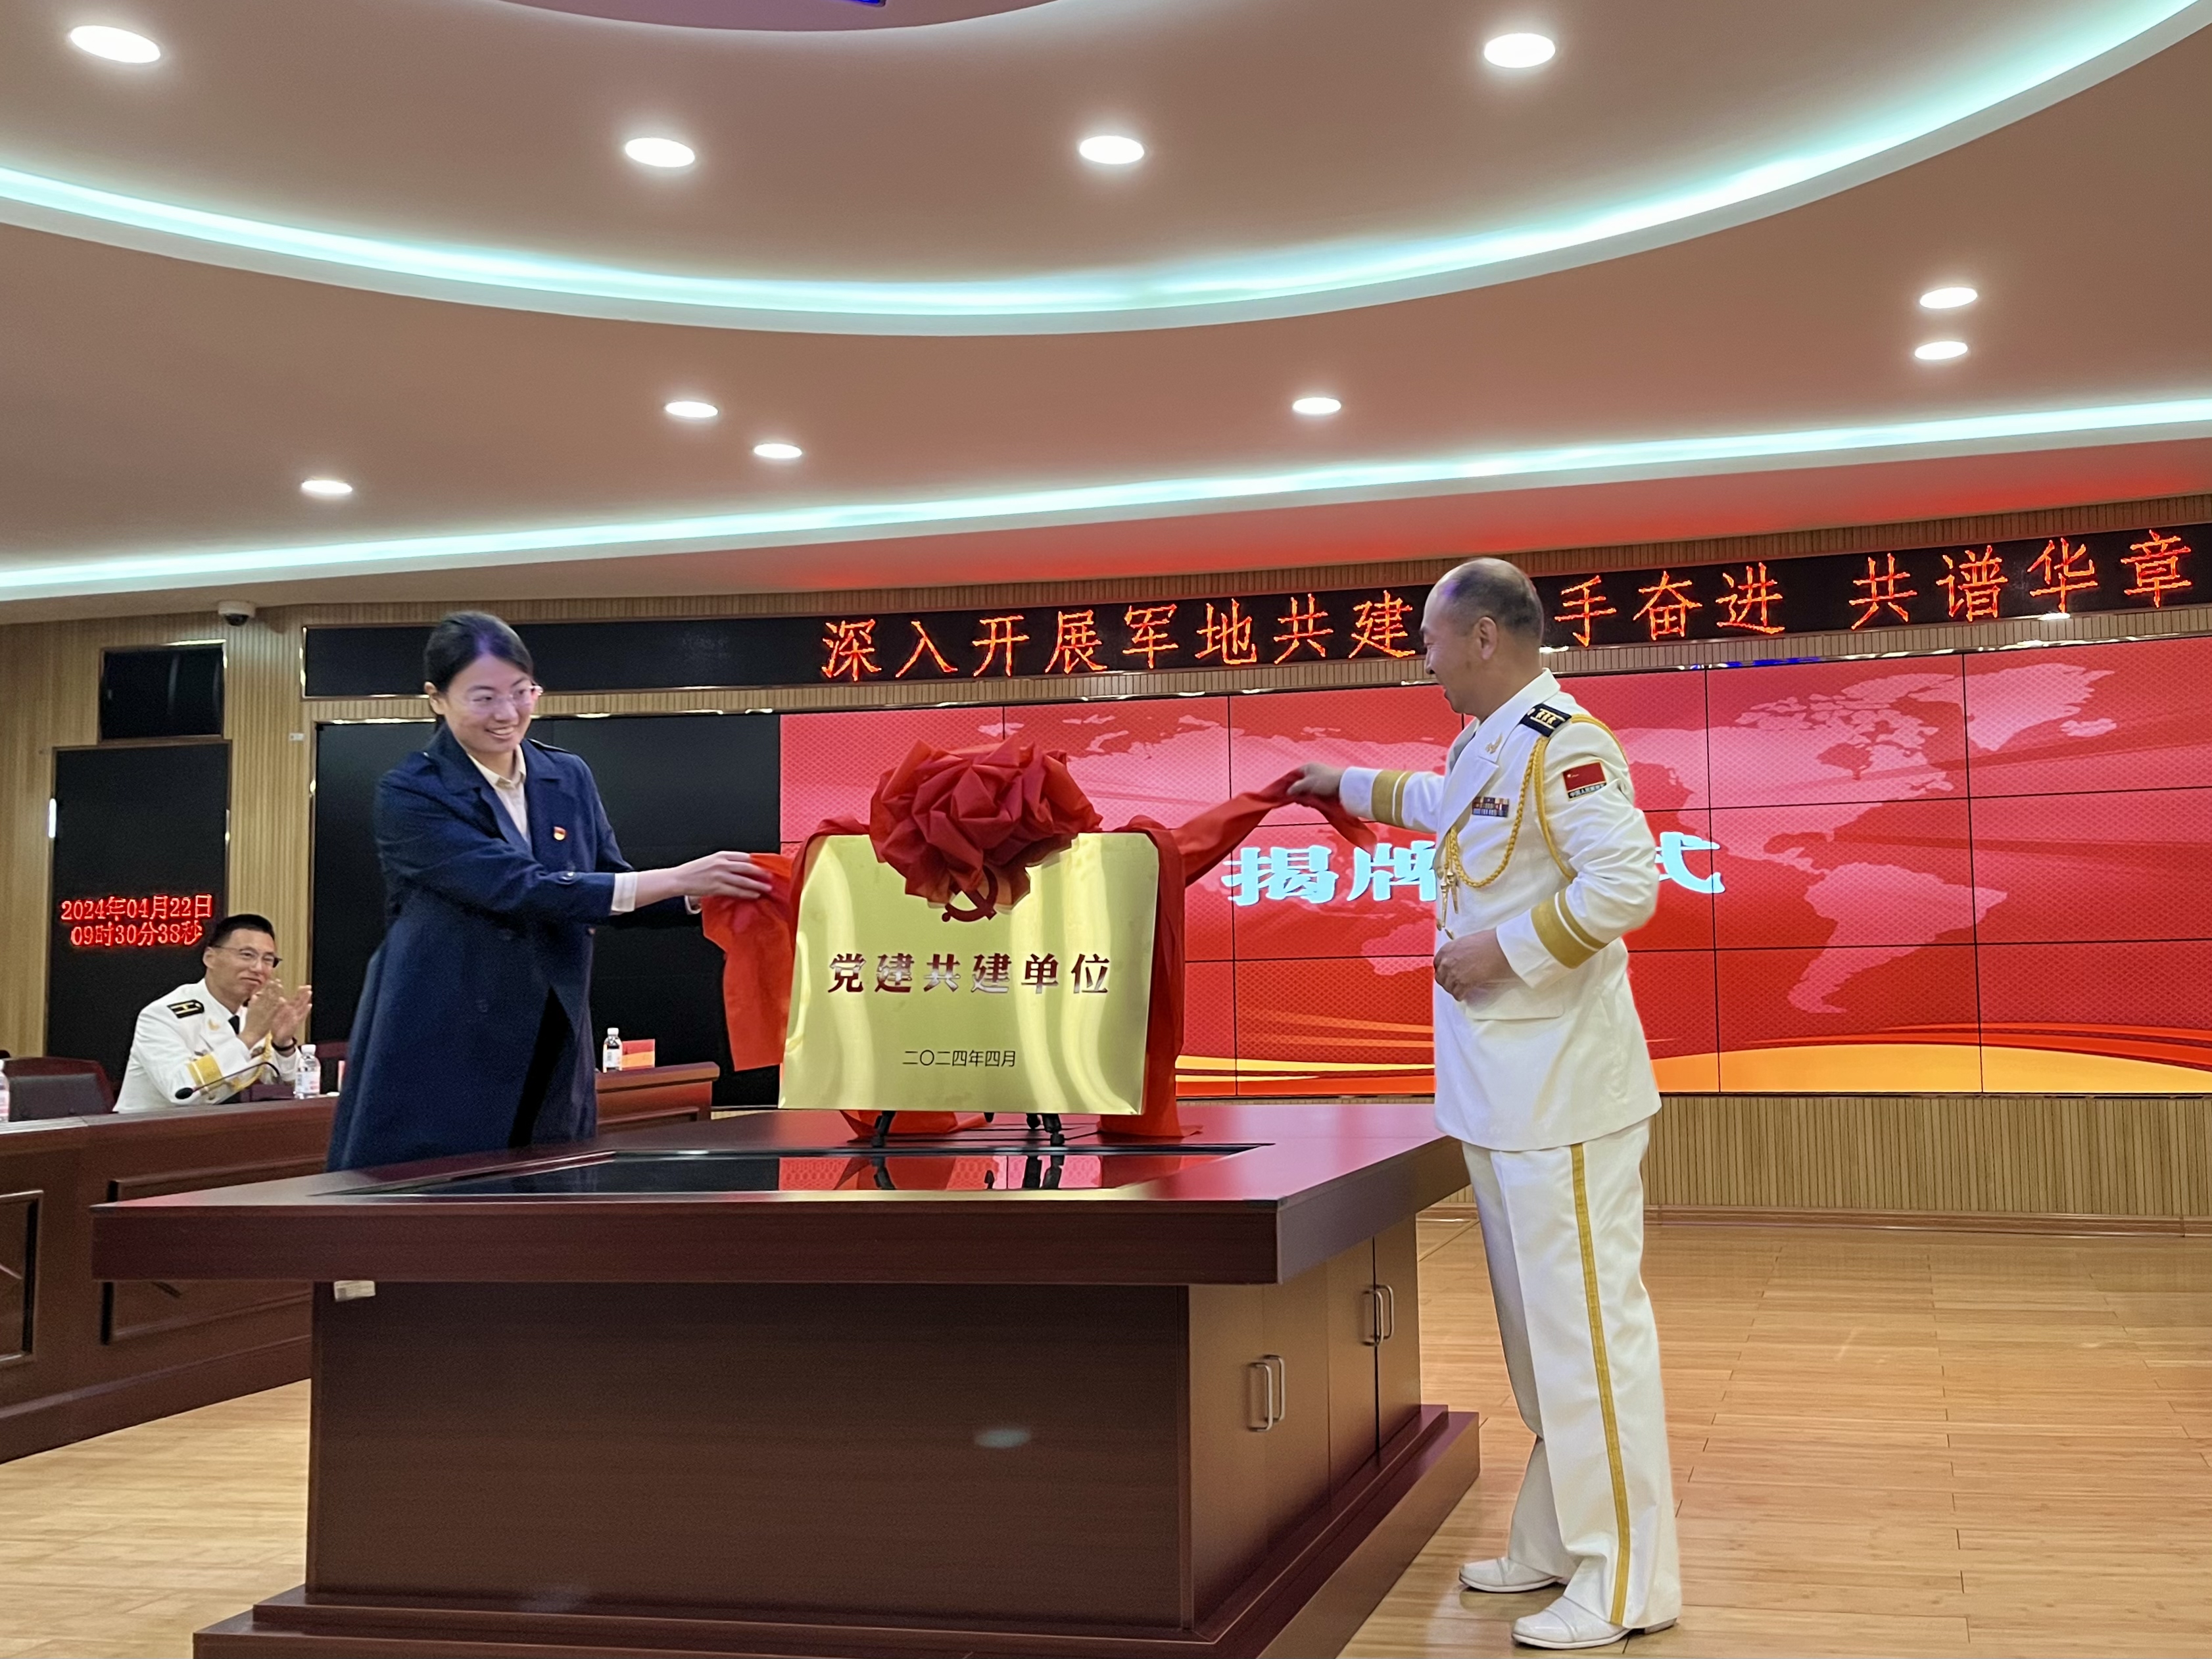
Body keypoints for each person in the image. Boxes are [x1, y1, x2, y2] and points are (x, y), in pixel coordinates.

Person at [1289, 558, 1679, 1650]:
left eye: (1428, 636)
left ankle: (1626, 1581)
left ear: (1482, 638)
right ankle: (1558, 1541)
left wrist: (1501, 950)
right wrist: (1337, 783)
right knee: (1539, 1342)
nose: (1420, 656)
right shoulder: (1485, 741)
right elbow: (1439, 805)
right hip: (1502, 1094)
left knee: (1588, 1339)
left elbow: (1626, 885)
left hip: (1563, 1094)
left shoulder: (1567, 743)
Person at [326, 612, 771, 1171]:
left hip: (552, 1032)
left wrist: (698, 896)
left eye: (522, 692)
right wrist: (678, 876)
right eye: (483, 697)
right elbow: (520, 887)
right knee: (439, 1195)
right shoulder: (412, 792)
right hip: (447, 1034)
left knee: (549, 1187)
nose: (507, 713)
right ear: (436, 698)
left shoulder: (567, 776)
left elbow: (605, 881)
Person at [115, 913, 313, 1112]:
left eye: (268, 960)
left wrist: (283, 1044)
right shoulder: (162, 1015)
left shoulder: (251, 1016)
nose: (258, 968)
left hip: (219, 1124)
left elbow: (295, 1086)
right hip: (151, 1128)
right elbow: (181, 1091)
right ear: (210, 958)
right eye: (247, 955)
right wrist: (249, 1037)